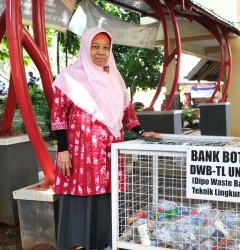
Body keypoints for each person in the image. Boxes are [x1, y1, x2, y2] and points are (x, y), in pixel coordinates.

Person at [50, 27, 160, 250]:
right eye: (95, 47)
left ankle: (106, 242)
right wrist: (63, 150)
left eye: (105, 48)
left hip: (110, 151)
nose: (101, 52)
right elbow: (58, 115)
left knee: (107, 197)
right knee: (81, 198)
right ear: (85, 47)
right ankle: (79, 243)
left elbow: (127, 113)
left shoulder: (114, 79)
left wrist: (140, 131)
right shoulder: (69, 77)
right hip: (80, 154)